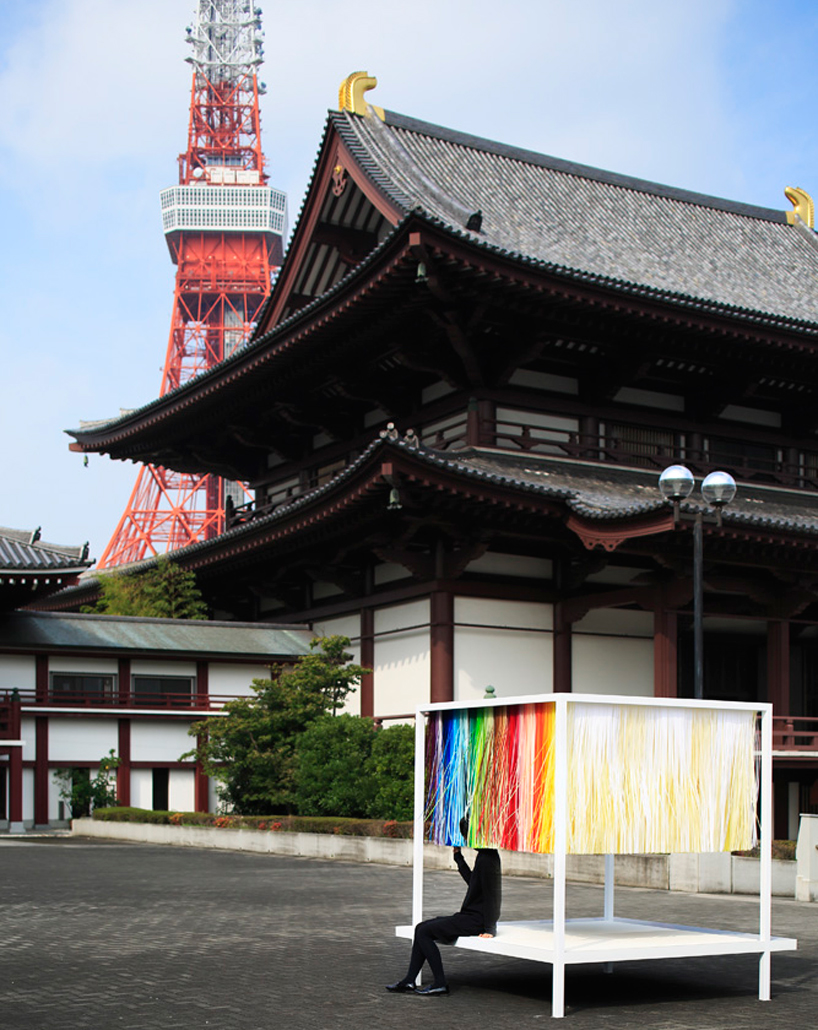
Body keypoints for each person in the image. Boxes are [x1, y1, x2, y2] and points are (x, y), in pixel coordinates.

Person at [386, 817, 502, 996]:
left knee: (424, 932)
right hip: (470, 916)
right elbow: (474, 884)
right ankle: (409, 980)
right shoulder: (486, 855)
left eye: (467, 836)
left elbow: (493, 895)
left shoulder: (488, 858)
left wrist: (490, 928)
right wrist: (458, 858)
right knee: (421, 928)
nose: (466, 841)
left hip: (476, 920)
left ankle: (440, 983)